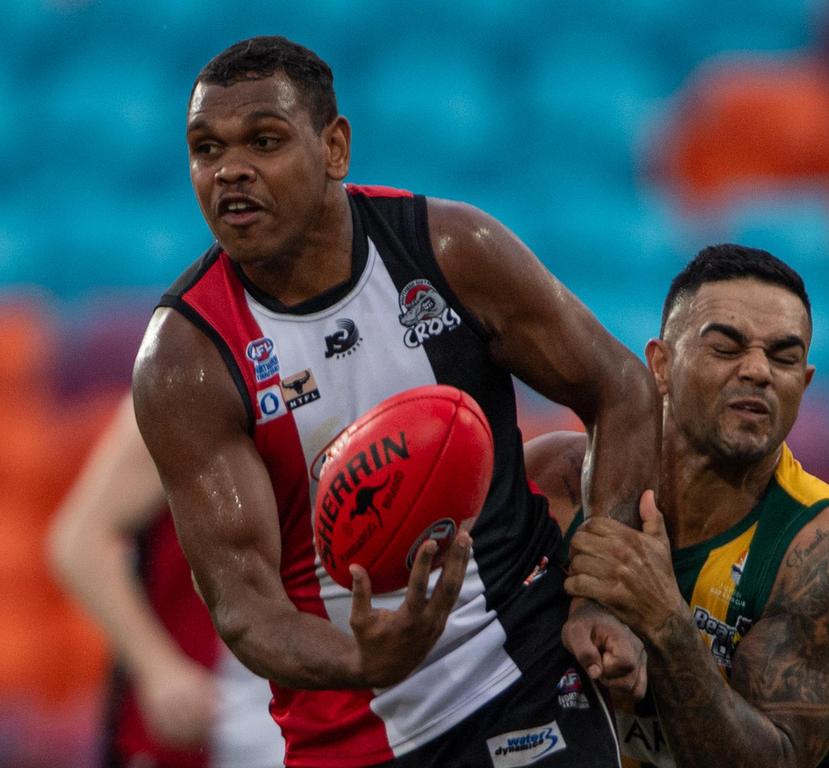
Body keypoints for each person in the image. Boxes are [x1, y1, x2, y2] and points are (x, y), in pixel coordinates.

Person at [131, 35, 659, 768]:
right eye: (205, 149)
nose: (231, 172)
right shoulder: (185, 360)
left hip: (526, 676)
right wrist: (364, 660)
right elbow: (245, 608)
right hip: (347, 738)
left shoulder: (450, 250)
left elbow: (623, 389)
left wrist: (603, 598)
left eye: (264, 140)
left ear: (335, 147)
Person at [526, 244, 829, 768]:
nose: (759, 371)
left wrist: (666, 621)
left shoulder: (826, 551)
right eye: (726, 347)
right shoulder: (556, 483)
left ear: (803, 385)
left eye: (784, 358)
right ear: (660, 366)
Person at [48, 393, 286, 768]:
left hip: (300, 700)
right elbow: (79, 541)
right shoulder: (178, 384)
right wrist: (159, 668)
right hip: (209, 716)